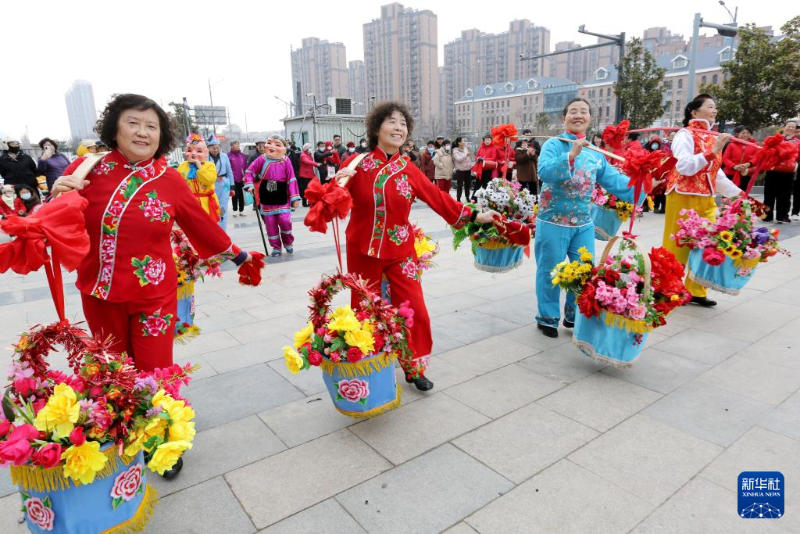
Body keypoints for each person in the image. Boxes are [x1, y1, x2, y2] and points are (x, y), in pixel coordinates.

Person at [50, 95, 257, 478]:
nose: (142, 132)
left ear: (161, 136)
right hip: (99, 292)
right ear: (115, 128)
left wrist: (240, 256)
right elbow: (52, 221)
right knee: (112, 369)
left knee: (154, 369)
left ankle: (162, 442)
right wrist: (56, 198)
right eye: (133, 122)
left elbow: (201, 225)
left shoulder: (170, 180)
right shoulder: (86, 168)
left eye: (151, 126)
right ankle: (121, 430)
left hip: (154, 294)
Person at [334, 101, 498, 390]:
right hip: (362, 249)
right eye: (392, 121)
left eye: (403, 123)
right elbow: (332, 201)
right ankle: (370, 369)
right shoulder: (356, 164)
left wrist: (474, 215)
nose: (398, 128)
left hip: (400, 250)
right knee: (365, 311)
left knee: (414, 308)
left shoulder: (408, 169)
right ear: (376, 128)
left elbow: (437, 197)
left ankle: (413, 366)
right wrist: (333, 188)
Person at [535, 98, 642, 338]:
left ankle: (574, 315)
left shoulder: (596, 153)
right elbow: (544, 173)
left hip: (583, 223)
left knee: (585, 270)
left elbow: (614, 180)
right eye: (573, 111)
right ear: (564, 118)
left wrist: (642, 184)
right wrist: (571, 155)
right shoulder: (554, 144)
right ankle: (547, 318)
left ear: (590, 118)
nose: (578, 115)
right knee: (549, 271)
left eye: (583, 111)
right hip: (552, 221)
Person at [661, 94, 742, 307]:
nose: (714, 110)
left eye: (715, 107)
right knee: (678, 244)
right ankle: (669, 288)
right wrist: (711, 152)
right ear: (695, 112)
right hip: (683, 195)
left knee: (708, 243)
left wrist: (738, 195)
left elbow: (716, 174)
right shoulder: (685, 134)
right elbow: (684, 166)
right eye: (710, 106)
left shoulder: (713, 137)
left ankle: (696, 290)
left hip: (706, 196)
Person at [245, 134, 301, 256]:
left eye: (277, 144)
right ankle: (276, 247)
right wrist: (249, 184)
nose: (272, 147)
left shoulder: (286, 160)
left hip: (282, 193)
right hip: (266, 193)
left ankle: (288, 242)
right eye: (269, 143)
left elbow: (291, 179)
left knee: (285, 221)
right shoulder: (262, 159)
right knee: (270, 224)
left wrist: (295, 197)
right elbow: (249, 171)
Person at [763, 121, 799, 224]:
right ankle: (767, 215)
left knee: (785, 195)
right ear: (783, 128)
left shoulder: (797, 142)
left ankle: (782, 216)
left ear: (795, 130)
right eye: (789, 126)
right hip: (772, 170)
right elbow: (766, 150)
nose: (790, 128)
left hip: (787, 171)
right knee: (769, 194)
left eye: (793, 127)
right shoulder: (774, 139)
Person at [178, 134, 220, 222]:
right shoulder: (182, 166)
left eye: (199, 151)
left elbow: (209, 180)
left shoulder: (210, 165)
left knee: (207, 226)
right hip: (189, 203)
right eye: (189, 150)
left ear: (206, 153)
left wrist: (199, 167)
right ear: (185, 151)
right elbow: (178, 185)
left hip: (206, 203)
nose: (193, 153)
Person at [722, 126, 759, 192]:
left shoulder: (755, 145)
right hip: (730, 172)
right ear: (737, 134)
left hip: (745, 172)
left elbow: (757, 157)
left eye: (747, 133)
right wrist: (734, 166)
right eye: (743, 133)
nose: (745, 135)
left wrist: (748, 164)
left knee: (743, 192)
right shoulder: (731, 144)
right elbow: (725, 158)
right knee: (728, 192)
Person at [207, 135, 233, 230]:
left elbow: (229, 171)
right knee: (212, 207)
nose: (215, 150)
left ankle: (222, 228)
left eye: (217, 147)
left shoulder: (224, 156)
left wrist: (232, 186)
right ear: (209, 148)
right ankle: (213, 228)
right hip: (210, 185)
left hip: (223, 185)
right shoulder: (205, 157)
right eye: (213, 148)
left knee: (223, 207)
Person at [645, 136, 668, 213]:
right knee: (646, 189)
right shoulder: (646, 152)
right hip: (649, 173)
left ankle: (659, 207)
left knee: (661, 191)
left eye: (656, 144)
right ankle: (645, 206)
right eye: (653, 143)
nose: (654, 145)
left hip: (660, 174)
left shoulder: (662, 152)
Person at [228, 140, 249, 217]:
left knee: (241, 195)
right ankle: (234, 210)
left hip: (242, 179)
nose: (238, 145)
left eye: (238, 144)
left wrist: (245, 176)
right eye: (236, 144)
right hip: (233, 179)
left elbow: (246, 167)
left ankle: (241, 210)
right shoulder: (228, 156)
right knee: (234, 195)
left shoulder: (243, 156)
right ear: (232, 146)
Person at [785, 121, 800, 221]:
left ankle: (795, 212)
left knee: (798, 191)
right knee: (791, 191)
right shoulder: (790, 141)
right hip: (790, 167)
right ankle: (791, 212)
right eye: (797, 131)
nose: (798, 133)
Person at [452, 137, 473, 202]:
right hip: (460, 170)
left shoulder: (465, 149)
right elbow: (459, 159)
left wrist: (470, 164)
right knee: (460, 185)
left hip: (468, 169)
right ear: (459, 143)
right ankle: (458, 199)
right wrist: (466, 155)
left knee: (468, 184)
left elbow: (468, 159)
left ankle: (467, 197)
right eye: (463, 141)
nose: (464, 142)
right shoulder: (455, 151)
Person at [298, 142, 319, 207]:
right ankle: (304, 203)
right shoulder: (303, 155)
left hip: (310, 174)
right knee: (305, 189)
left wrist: (316, 165)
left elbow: (310, 162)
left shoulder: (309, 155)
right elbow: (307, 161)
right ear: (306, 149)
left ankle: (310, 201)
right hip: (304, 174)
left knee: (311, 188)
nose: (311, 149)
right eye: (310, 147)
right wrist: (316, 164)